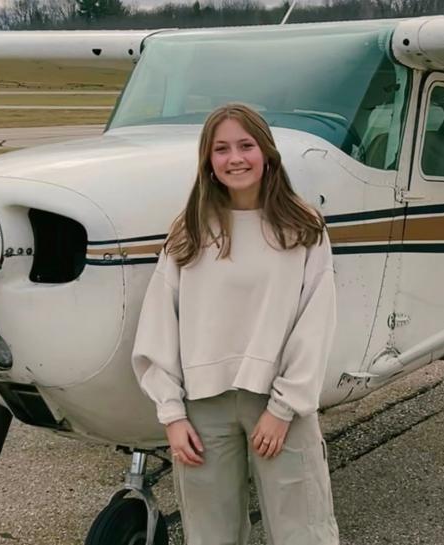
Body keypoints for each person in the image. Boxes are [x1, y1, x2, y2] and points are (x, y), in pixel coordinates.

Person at [131, 103, 340, 545]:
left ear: (267, 152)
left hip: (280, 405)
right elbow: (159, 325)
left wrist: (283, 408)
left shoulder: (304, 228)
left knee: (303, 531)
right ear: (208, 160)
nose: (235, 158)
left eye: (246, 145)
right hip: (203, 409)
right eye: (221, 149)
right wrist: (171, 413)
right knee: (210, 535)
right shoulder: (187, 232)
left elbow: (315, 323)